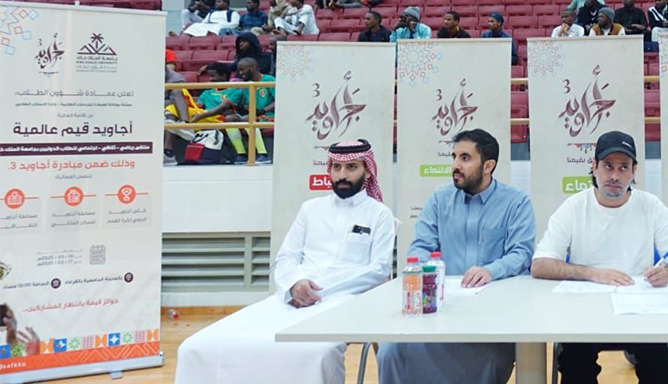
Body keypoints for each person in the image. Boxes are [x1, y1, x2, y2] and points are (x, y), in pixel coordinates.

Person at [175, 139, 395, 384]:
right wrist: (295, 284)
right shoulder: (311, 209)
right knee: (198, 346)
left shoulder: (380, 214)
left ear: (367, 171)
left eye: (351, 167)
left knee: (316, 352)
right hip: (291, 298)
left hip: (345, 299)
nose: (342, 175)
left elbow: (378, 271)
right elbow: (286, 257)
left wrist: (317, 290)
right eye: (336, 168)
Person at [377, 129, 535, 384]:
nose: (455, 165)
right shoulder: (439, 200)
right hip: (440, 307)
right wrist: (427, 272)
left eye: (465, 158)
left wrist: (490, 270)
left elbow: (521, 254)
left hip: (492, 313)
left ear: (488, 166)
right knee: (391, 349)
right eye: (454, 157)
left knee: (491, 358)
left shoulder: (516, 203)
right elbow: (420, 247)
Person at [531, 130, 668, 384]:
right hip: (585, 315)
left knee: (658, 364)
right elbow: (540, 264)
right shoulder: (574, 206)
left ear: (634, 171)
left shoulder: (651, 206)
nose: (615, 175)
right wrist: (592, 273)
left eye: (623, 167)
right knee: (575, 365)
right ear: (594, 167)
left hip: (640, 314)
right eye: (608, 166)